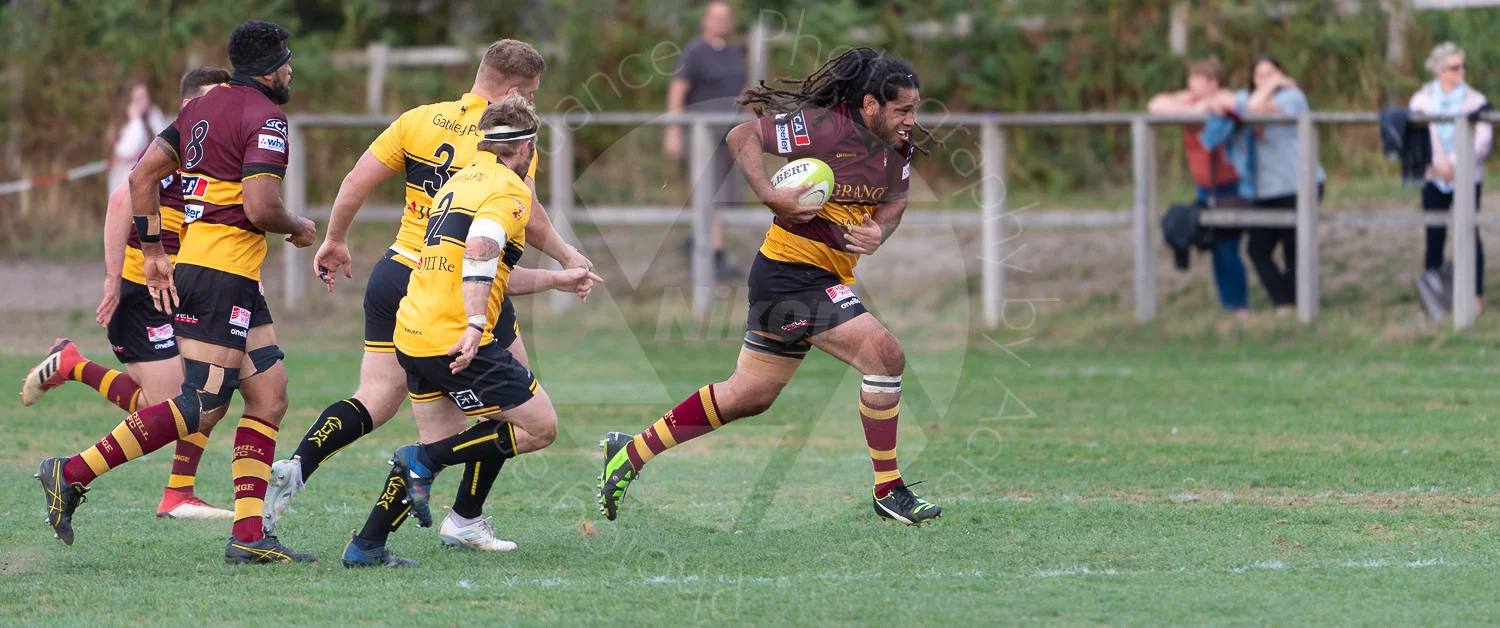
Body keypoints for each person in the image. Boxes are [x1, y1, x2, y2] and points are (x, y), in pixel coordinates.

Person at [262, 40, 595, 552]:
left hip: (398, 275)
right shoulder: (507, 138)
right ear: (513, 92)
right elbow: (519, 221)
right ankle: (464, 516)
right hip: (460, 286)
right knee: (506, 411)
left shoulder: (420, 119)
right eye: (531, 94)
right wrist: (566, 258)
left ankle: (307, 471)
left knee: (377, 401)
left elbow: (355, 179)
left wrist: (334, 239)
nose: (533, 103)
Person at [599, 47, 943, 526]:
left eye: (915, 107)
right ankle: (889, 489)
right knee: (884, 355)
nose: (911, 118)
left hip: (816, 277)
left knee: (748, 395)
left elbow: (894, 204)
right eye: (902, 109)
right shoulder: (825, 127)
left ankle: (630, 451)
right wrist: (770, 196)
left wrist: (878, 231)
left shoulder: (898, 143)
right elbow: (742, 136)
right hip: (789, 276)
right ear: (869, 105)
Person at [34, 20, 320, 564]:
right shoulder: (268, 118)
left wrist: (156, 251)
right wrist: (300, 227)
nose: (291, 70)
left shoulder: (198, 111)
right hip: (220, 277)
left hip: (220, 273)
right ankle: (69, 472)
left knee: (269, 395)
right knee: (198, 404)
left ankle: (249, 537)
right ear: (272, 65)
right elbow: (260, 207)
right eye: (288, 61)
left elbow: (141, 177)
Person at [341, 94, 597, 568]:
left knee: (458, 435)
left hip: (414, 330)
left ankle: (368, 544)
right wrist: (478, 323)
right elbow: (481, 249)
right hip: (454, 333)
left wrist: (560, 278)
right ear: (525, 148)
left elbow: (488, 269)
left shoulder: (459, 183)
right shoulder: (511, 190)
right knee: (539, 426)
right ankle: (426, 466)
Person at [21, 67, 234, 521]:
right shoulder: (174, 145)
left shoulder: (211, 149)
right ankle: (74, 367)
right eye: (214, 100)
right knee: (174, 404)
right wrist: (113, 279)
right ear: (190, 106)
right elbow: (121, 202)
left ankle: (179, 493)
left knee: (200, 394)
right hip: (141, 292)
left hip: (180, 288)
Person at [1147, 56, 1247, 316]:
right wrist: (1194, 106)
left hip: (1230, 185)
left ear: (1213, 83)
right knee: (1213, 244)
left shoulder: (1225, 99)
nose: (1190, 84)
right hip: (1204, 186)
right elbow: (1156, 104)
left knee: (1227, 247)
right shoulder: (1191, 102)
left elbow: (1229, 102)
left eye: (1197, 80)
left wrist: (1203, 106)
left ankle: (1238, 305)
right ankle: (1230, 304)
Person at [1234, 55, 1324, 313]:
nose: (1266, 79)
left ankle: (1300, 306)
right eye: (1260, 75)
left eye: (1271, 73)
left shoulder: (1292, 97)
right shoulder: (1247, 98)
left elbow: (1255, 108)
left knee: (1294, 247)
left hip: (1298, 183)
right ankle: (1284, 301)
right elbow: (1240, 105)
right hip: (1265, 188)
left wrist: (1277, 85)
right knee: (1257, 249)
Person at [664, 0, 747, 279]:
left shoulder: (735, 52)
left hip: (731, 134)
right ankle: (714, 255)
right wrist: (673, 130)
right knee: (713, 193)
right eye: (716, 17)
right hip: (700, 136)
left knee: (729, 196)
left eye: (726, 17)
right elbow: (677, 91)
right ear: (706, 21)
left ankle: (699, 243)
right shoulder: (695, 52)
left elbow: (743, 92)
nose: (722, 22)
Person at [1410, 42, 1493, 312]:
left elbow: (1482, 139)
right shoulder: (1420, 100)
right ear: (1438, 70)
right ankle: (1435, 298)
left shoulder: (1476, 100)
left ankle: (1474, 295)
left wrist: (1455, 164)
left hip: (1467, 176)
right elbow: (1421, 137)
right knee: (1434, 234)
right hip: (1434, 176)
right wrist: (1438, 165)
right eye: (1454, 67)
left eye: (1463, 65)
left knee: (1469, 232)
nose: (1461, 71)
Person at [107, 80, 166, 194]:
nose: (144, 100)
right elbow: (126, 152)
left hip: (150, 184)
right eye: (138, 98)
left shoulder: (154, 115)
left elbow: (162, 143)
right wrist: (136, 121)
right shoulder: (123, 124)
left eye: (145, 95)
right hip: (124, 185)